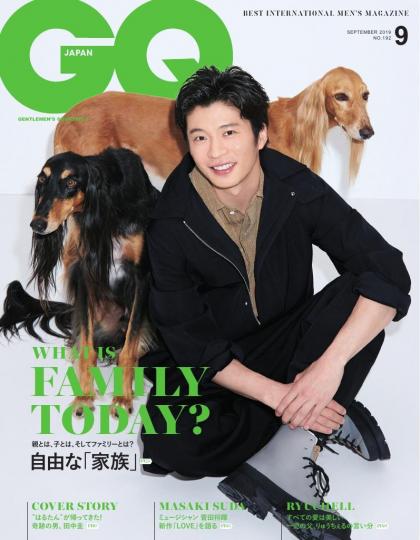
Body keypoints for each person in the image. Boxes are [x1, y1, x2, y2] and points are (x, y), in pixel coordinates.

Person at [138, 66, 411, 538]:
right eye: (200, 137)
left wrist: (328, 368)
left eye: (229, 132)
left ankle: (293, 451)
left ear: (260, 134)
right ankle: (324, 415)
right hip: (217, 366)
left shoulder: (294, 184)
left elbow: (386, 268)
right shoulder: (169, 221)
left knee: (364, 293)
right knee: (168, 444)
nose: (215, 152)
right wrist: (284, 398)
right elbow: (192, 343)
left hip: (292, 344)